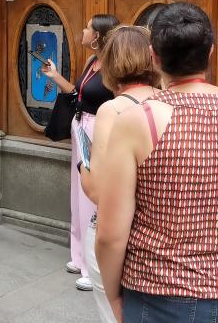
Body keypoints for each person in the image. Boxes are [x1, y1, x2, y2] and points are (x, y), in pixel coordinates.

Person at [95, 2, 218, 323]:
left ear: (153, 56)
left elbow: (111, 235)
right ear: (210, 53)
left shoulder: (139, 121)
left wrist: (112, 295)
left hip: (159, 296)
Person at [79, 25, 158, 322]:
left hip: (117, 231)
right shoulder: (167, 102)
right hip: (153, 236)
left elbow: (97, 189)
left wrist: (83, 166)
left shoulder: (112, 110)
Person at [41, 14, 119, 291]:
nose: (83, 31)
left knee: (91, 196)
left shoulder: (112, 66)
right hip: (81, 125)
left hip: (99, 127)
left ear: (97, 36)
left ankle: (92, 264)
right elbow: (77, 93)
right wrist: (55, 77)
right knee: (78, 191)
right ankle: (78, 254)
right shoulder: (91, 62)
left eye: (87, 28)